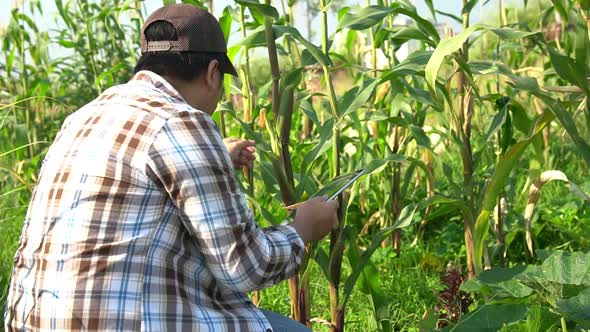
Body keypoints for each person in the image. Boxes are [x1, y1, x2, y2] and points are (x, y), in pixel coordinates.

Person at [3, 4, 339, 331]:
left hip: (31, 320)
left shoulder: (83, 117)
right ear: (212, 74)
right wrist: (303, 229)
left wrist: (216, 156)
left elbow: (137, 173)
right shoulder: (183, 122)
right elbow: (244, 267)